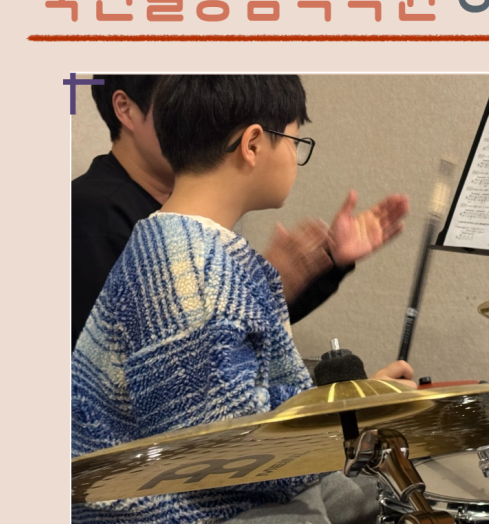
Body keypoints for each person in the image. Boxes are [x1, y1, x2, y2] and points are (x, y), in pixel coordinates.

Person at [72, 75, 415, 524]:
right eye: (293, 142)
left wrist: (357, 409)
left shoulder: (197, 247)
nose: (294, 157)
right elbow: (229, 456)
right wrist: (355, 418)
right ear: (253, 144)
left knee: (390, 493)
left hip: (214, 496)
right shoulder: (185, 269)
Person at [72, 75, 409, 349]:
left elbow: (233, 343)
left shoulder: (191, 222)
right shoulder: (93, 214)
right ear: (126, 109)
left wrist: (325, 260)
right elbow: (165, 370)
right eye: (178, 102)